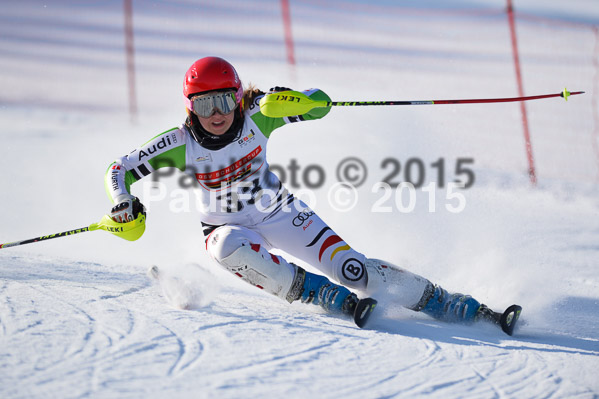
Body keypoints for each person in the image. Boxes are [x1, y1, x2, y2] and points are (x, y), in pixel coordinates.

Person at [105, 56, 520, 333]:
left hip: (279, 211)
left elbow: (321, 105)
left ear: (237, 95)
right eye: (204, 104)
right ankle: (315, 292)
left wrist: (297, 100)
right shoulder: (180, 143)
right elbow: (118, 169)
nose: (216, 114)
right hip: (225, 225)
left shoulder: (258, 115)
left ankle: (453, 304)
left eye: (225, 99)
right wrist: (123, 202)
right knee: (228, 246)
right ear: (189, 107)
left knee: (356, 272)